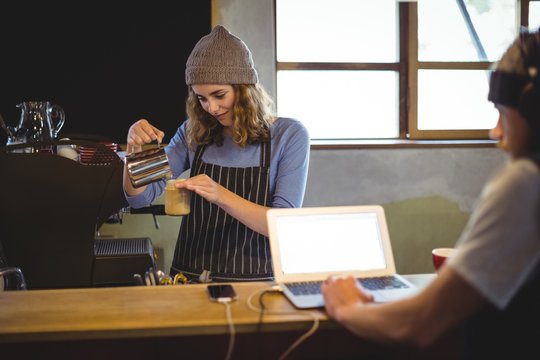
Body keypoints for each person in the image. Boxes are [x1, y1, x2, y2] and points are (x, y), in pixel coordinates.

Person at [321, 28, 540, 358]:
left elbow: (418, 324)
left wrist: (347, 308)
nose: (495, 132)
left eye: (503, 113)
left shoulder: (525, 181)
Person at [123, 25, 310, 282]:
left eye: (219, 95)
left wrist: (219, 194)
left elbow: (282, 225)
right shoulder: (193, 132)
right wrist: (134, 150)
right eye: (201, 98)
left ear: (245, 89)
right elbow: (139, 198)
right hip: (189, 278)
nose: (211, 107)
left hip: (256, 284)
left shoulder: (289, 135)